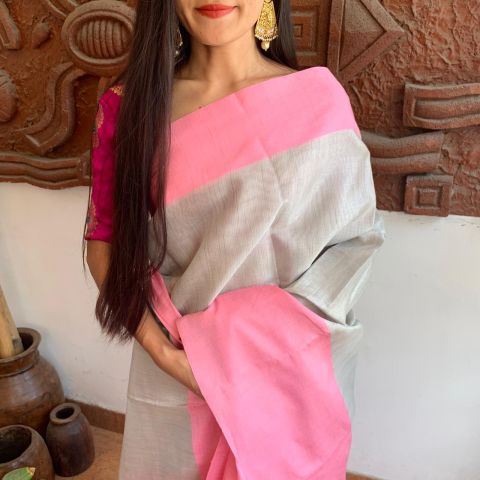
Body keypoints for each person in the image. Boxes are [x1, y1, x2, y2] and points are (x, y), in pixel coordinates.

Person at [83, 0, 386, 478]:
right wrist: (163, 353)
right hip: (179, 369)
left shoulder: (318, 101)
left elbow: (352, 247)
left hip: (294, 374)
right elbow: (105, 240)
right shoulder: (132, 107)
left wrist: (257, 349)